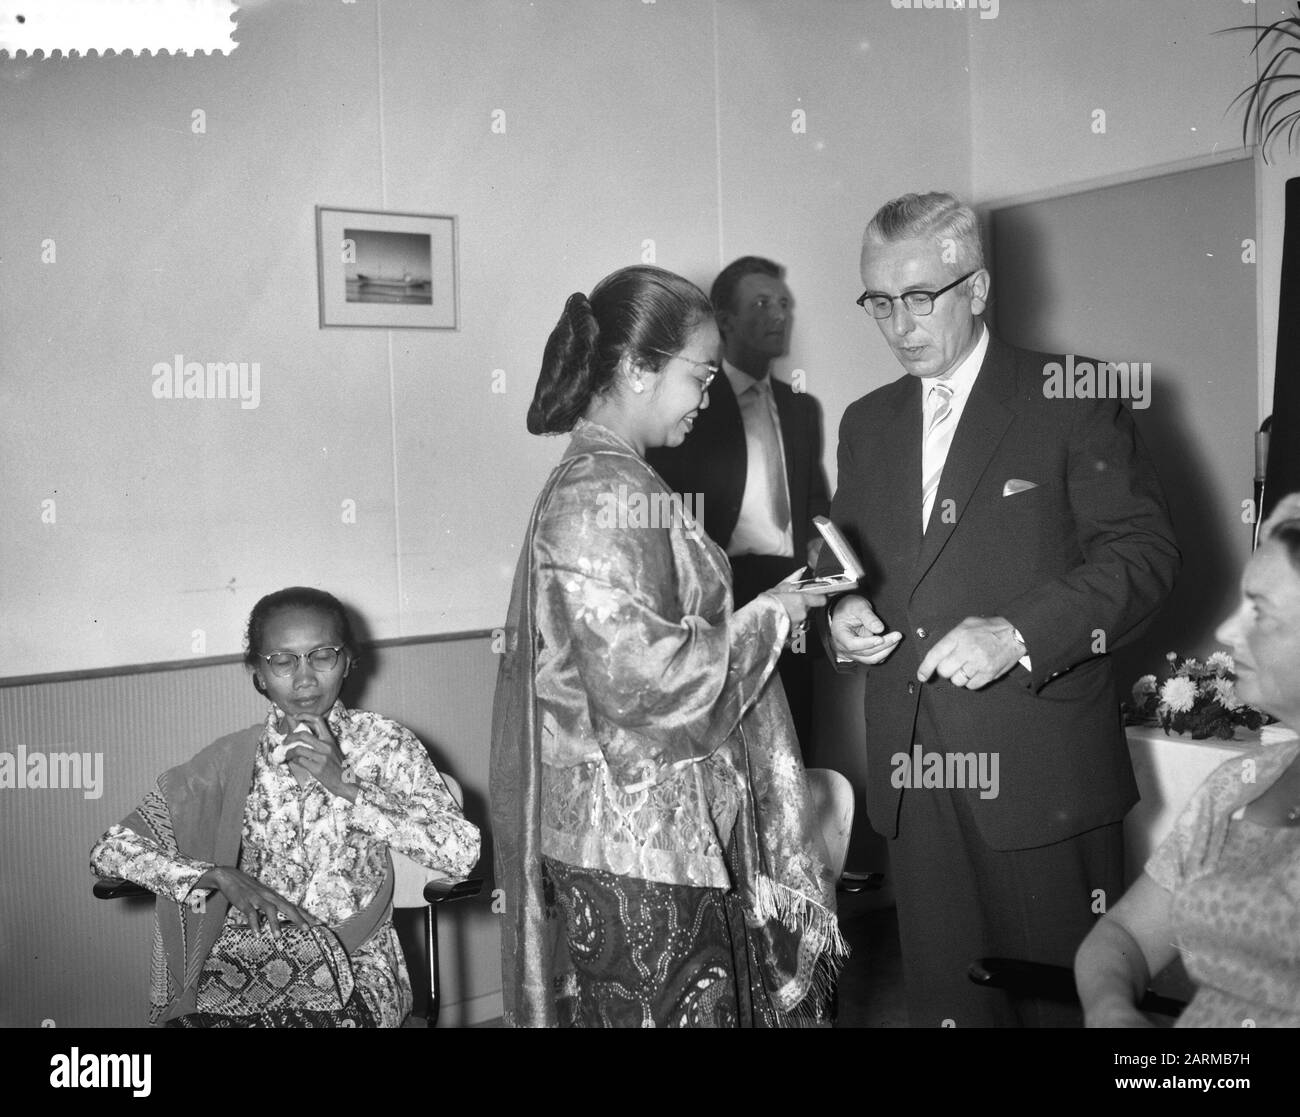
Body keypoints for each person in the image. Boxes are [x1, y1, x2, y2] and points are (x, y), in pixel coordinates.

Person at [818, 192, 1181, 1027]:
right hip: (915, 784)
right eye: (879, 300)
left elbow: (1145, 556)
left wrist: (1018, 632)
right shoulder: (865, 424)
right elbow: (845, 573)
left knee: (1059, 1006)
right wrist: (841, 619)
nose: (899, 324)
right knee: (950, 1005)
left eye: (921, 297)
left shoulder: (1072, 393)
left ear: (977, 288)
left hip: (1042, 778)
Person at [491, 264, 844, 1028]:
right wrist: (774, 616)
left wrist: (771, 608)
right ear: (636, 367)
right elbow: (641, 685)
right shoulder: (599, 493)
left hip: (651, 830)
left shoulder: (625, 480)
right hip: (633, 845)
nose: (708, 397)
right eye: (701, 375)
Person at [90, 586, 481, 1027]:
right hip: (250, 968)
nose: (305, 678)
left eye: (322, 655)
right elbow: (111, 849)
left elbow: (461, 851)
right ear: (258, 672)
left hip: (359, 968)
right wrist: (215, 876)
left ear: (349, 660)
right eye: (282, 660)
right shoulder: (233, 759)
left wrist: (347, 786)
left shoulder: (385, 745)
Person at [1076, 494, 1300, 1028]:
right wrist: (1112, 1010)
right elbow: (1125, 936)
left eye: (1259, 611)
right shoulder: (1238, 786)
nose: (1226, 632)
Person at [647, 257, 831, 755]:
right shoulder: (692, 409)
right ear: (725, 322)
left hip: (794, 595)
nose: (779, 315)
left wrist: (824, 552)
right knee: (733, 756)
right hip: (724, 601)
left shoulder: (801, 408)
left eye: (784, 304)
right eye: (761, 304)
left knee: (798, 752)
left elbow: (813, 501)